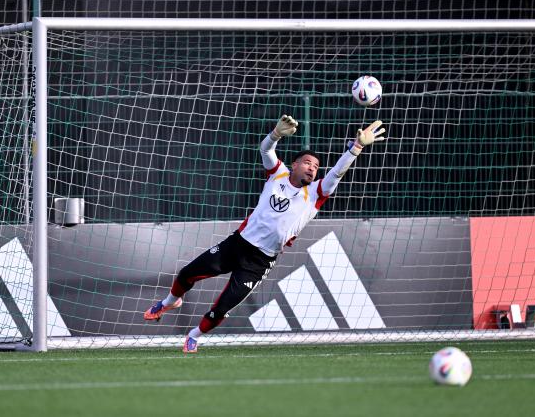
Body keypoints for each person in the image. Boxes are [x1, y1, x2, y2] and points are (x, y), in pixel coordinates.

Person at [144, 115, 386, 353]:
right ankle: (170, 302)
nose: (312, 169)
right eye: (308, 163)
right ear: (295, 165)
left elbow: (336, 173)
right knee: (187, 274)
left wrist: (356, 147)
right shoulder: (278, 173)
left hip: (260, 261)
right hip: (237, 244)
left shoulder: (316, 193)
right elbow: (266, 151)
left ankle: (194, 336)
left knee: (221, 308)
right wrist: (276, 134)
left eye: (315, 167)